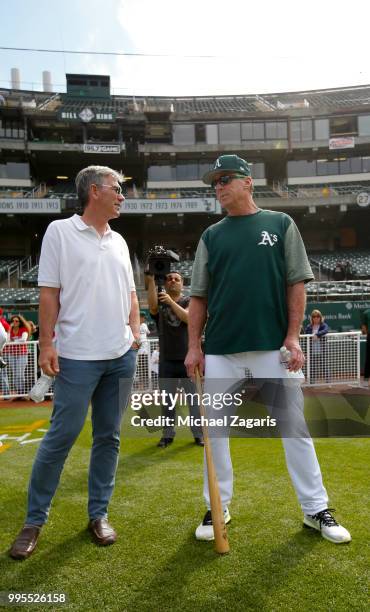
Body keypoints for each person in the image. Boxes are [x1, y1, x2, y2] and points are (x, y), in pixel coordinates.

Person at [185, 154, 351, 545]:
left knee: (295, 430)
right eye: (215, 182)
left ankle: (315, 510)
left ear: (247, 182)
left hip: (272, 348)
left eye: (225, 179)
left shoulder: (280, 224)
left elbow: (297, 282)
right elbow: (198, 296)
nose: (218, 187)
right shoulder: (212, 235)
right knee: (217, 433)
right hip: (222, 349)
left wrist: (293, 337)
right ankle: (217, 505)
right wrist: (194, 346)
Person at [9, 165, 140, 560]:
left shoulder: (119, 240)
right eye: (117, 189)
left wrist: (135, 331)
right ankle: (34, 521)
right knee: (60, 438)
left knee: (109, 438)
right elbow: (49, 294)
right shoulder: (59, 232)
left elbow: (132, 295)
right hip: (77, 358)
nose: (122, 196)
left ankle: (98, 515)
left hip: (121, 357)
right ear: (95, 191)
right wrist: (46, 343)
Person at [147, 272, 204, 448]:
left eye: (176, 279)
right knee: (167, 402)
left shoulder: (188, 301)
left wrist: (171, 302)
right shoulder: (160, 302)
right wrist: (150, 280)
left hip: (188, 360)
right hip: (166, 360)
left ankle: (198, 434)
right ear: (164, 283)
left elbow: (188, 318)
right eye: (169, 278)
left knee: (194, 401)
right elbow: (152, 308)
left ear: (182, 284)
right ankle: (167, 435)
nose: (172, 281)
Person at [2, 314, 30, 397]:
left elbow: (23, 339)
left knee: (19, 373)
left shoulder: (24, 329)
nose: (14, 322)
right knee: (14, 374)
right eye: (13, 321)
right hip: (12, 354)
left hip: (22, 354)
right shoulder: (10, 330)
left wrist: (13, 341)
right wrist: (9, 329)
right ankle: (19, 393)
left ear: (20, 322)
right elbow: (7, 340)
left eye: (16, 321)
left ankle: (22, 392)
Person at [304, 310, 329, 383]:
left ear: (320, 317)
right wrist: (306, 351)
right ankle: (312, 382)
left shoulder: (323, 325)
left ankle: (328, 382)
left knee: (324, 366)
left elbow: (326, 330)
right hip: (312, 350)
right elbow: (306, 337)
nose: (316, 318)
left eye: (318, 316)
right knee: (312, 367)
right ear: (312, 318)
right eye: (314, 316)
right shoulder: (309, 326)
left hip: (322, 350)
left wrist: (317, 335)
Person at [360, 307, 370, 387]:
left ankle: (366, 380)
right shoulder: (366, 312)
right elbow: (364, 327)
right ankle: (366, 380)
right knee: (368, 358)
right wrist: (367, 334)